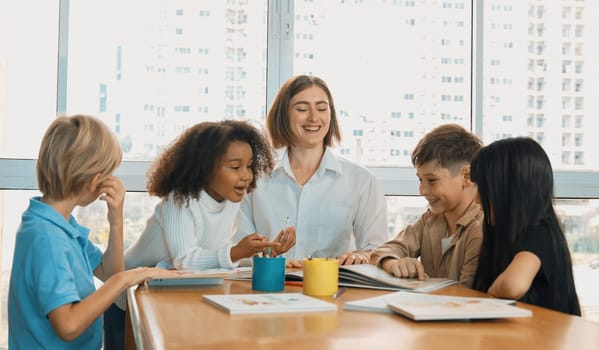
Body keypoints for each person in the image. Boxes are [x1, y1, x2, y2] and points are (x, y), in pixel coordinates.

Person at [105, 119, 295, 348]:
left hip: (167, 293)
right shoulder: (181, 201)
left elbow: (215, 258)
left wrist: (265, 252)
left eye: (249, 166)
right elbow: (185, 260)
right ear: (205, 168)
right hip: (126, 298)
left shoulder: (229, 201)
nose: (246, 175)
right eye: (235, 167)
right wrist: (235, 252)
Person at [8, 115, 173, 350]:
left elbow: (109, 273)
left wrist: (116, 220)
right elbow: (68, 326)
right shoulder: (47, 238)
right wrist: (127, 278)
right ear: (96, 179)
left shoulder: (59, 225)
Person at [234, 75, 388, 266]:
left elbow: (377, 249)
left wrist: (362, 256)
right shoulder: (254, 179)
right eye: (302, 109)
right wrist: (272, 259)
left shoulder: (361, 180)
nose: (314, 118)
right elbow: (239, 251)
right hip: (269, 286)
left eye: (322, 108)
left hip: (332, 289)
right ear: (283, 115)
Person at [470, 137, 581, 316]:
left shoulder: (540, 234)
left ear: (509, 192)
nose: (476, 199)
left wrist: (492, 291)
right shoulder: (503, 237)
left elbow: (513, 285)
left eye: (483, 188)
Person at [370, 124, 484, 288]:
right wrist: (392, 262)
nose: (422, 190)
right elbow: (384, 250)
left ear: (467, 176)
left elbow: (467, 295)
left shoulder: (480, 228)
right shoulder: (429, 220)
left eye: (432, 180)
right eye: (420, 180)